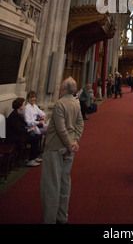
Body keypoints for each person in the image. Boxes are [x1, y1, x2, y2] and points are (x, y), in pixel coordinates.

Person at [40, 77, 84, 224]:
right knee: (65, 182)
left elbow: (60, 128)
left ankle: (50, 220)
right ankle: (62, 216)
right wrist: (75, 141)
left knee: (52, 184)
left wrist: (70, 143)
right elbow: (80, 123)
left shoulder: (59, 104)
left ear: (64, 89)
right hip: (69, 149)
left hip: (56, 148)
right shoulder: (76, 102)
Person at [5, 97, 41, 166]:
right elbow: (18, 129)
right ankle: (31, 160)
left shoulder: (17, 113)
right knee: (34, 138)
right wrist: (29, 129)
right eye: (23, 104)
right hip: (13, 137)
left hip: (17, 134)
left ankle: (33, 157)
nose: (24, 105)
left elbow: (21, 126)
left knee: (35, 136)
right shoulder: (15, 115)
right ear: (20, 106)